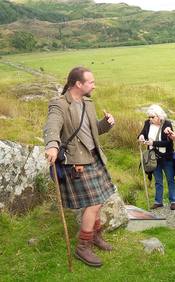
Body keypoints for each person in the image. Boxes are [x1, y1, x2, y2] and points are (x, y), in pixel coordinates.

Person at [44, 66, 115, 267]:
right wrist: (51, 145)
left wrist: (107, 124)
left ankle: (94, 235)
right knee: (92, 204)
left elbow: (94, 131)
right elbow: (52, 126)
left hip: (95, 158)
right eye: (91, 82)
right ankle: (83, 247)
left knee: (99, 201)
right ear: (78, 84)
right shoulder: (59, 105)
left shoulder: (88, 103)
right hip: (77, 163)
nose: (94, 85)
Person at [138, 104, 175, 210]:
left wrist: (153, 142)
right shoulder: (147, 124)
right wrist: (141, 137)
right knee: (158, 180)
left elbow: (168, 143)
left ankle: (173, 200)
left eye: (152, 117)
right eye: (149, 117)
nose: (150, 119)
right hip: (153, 156)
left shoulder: (167, 124)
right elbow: (142, 134)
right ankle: (158, 201)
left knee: (170, 179)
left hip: (166, 156)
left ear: (159, 116)